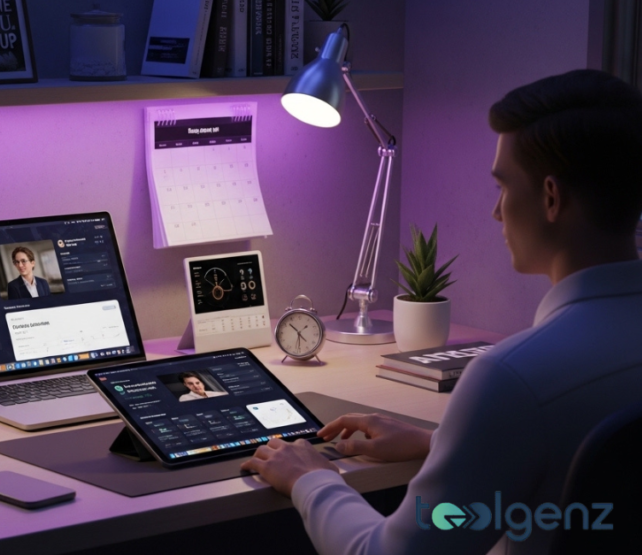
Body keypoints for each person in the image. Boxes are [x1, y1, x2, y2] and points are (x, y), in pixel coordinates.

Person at [242, 69, 642, 554]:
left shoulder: (513, 379)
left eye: (502, 187)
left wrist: (312, 479)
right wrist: (441, 443)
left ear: (551, 198)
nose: (496, 212)